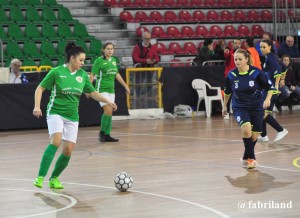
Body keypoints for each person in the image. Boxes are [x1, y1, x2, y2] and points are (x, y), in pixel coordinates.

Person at [33, 42, 117, 189]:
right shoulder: (57, 72)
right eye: (81, 60)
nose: (83, 63)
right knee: (56, 141)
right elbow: (40, 88)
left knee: (68, 150)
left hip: (72, 116)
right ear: (72, 58)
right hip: (56, 112)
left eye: (84, 60)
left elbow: (92, 93)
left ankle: (54, 178)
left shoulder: (83, 76)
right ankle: (40, 177)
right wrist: (37, 106)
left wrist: (107, 101)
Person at [222, 49, 275, 169]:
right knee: (246, 130)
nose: (237, 61)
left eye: (240, 59)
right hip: (240, 107)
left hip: (256, 107)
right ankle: (252, 159)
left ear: (246, 59)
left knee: (255, 136)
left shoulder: (257, 73)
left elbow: (270, 87)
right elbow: (228, 92)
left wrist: (268, 99)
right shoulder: (231, 75)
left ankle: (246, 156)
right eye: (235, 59)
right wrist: (224, 106)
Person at [90, 42, 130, 142]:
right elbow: (92, 74)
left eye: (112, 49)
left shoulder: (113, 60)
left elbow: (116, 74)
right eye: (108, 49)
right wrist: (89, 89)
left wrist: (125, 86)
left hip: (111, 90)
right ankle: (101, 133)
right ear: (104, 50)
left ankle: (107, 135)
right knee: (107, 110)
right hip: (101, 89)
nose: (110, 50)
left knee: (110, 111)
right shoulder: (99, 60)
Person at [258, 39, 288, 143]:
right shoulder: (270, 57)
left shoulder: (271, 57)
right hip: (267, 89)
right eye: (261, 47)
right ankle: (263, 136)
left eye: (264, 47)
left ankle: (281, 130)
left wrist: (276, 86)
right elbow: (284, 68)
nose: (262, 49)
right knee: (262, 112)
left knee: (262, 113)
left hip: (271, 91)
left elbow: (278, 71)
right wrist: (283, 79)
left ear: (270, 47)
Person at [223, 38, 242, 119]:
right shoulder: (230, 53)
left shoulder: (242, 54)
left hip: (239, 76)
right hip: (229, 77)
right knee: (228, 94)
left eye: (238, 43)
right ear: (233, 44)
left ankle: (236, 110)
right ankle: (226, 111)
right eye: (235, 43)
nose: (237, 45)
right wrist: (226, 51)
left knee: (238, 94)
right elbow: (226, 54)